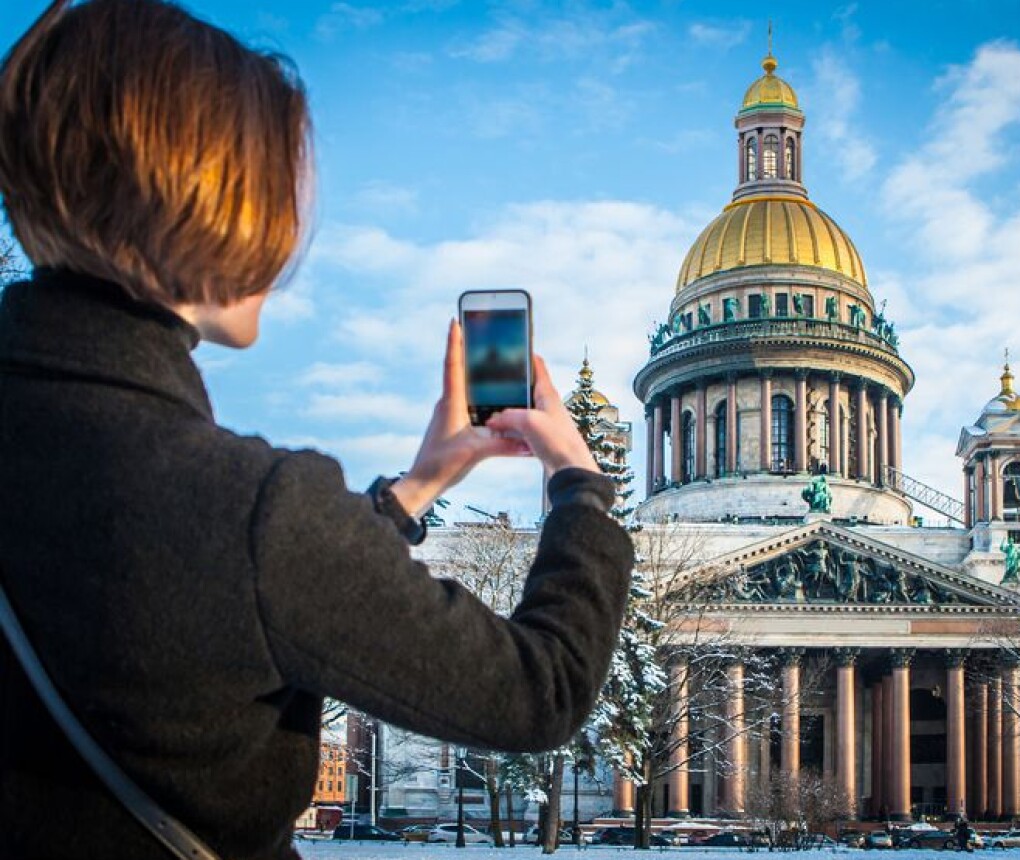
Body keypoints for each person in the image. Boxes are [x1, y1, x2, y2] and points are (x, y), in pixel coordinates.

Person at [0, 2, 633, 858]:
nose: (290, 232)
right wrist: (580, 490)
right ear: (205, 206)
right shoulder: (258, 512)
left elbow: (223, 604)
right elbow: (542, 691)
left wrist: (415, 490)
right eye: (274, 194)